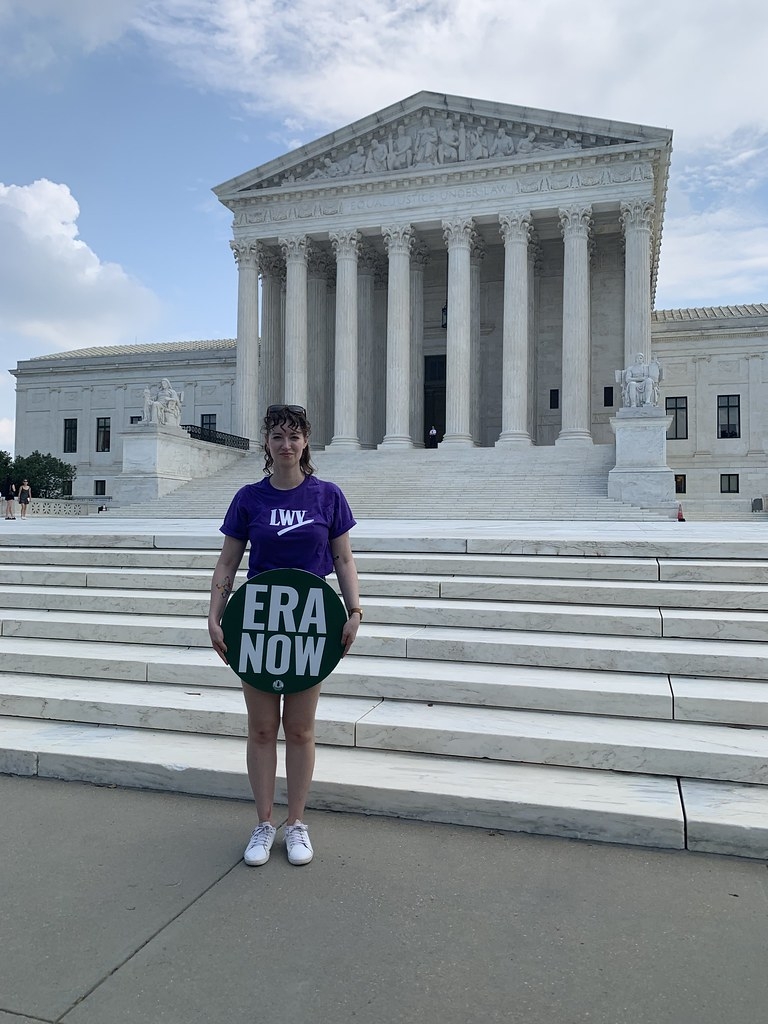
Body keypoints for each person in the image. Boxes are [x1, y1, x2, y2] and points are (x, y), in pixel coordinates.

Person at [207, 404, 362, 868]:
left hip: (310, 624)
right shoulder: (249, 498)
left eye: (294, 436)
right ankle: (263, 822)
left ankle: (296, 823)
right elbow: (227, 563)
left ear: (306, 442)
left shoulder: (328, 496)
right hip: (258, 625)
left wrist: (354, 610)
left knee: (299, 729)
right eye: (277, 436)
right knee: (259, 729)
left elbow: (343, 560)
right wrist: (215, 616)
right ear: (267, 444)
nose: (286, 444)